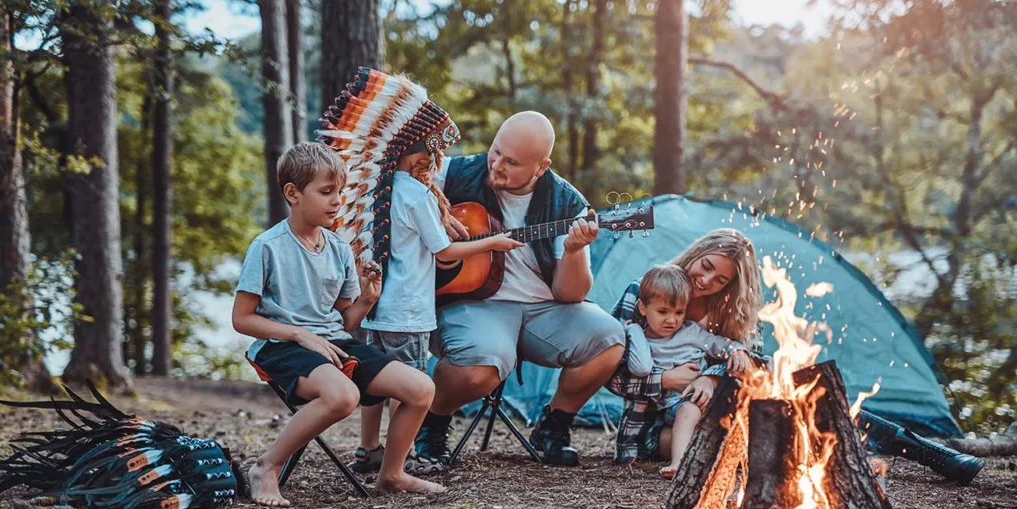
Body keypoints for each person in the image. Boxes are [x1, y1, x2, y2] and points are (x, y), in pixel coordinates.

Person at [609, 229, 984, 484]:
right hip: (660, 429)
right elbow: (614, 376)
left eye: (720, 279)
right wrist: (667, 380)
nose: (706, 281)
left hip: (720, 413)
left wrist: (713, 376)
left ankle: (928, 452)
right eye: (705, 267)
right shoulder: (644, 293)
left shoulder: (724, 314)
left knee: (797, 387)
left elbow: (752, 365)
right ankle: (867, 453)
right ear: (696, 254)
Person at [316, 69, 522, 476]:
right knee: (408, 388)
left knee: (375, 378)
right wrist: (492, 243)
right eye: (434, 154)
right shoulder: (417, 193)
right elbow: (444, 249)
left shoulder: (386, 186)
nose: (436, 162)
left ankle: (368, 449)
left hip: (377, 307)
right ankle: (400, 461)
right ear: (422, 152)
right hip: (408, 311)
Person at [232, 142, 445, 506]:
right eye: (326, 192)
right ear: (292, 194)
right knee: (343, 396)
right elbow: (242, 319)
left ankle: (391, 474)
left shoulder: (340, 249)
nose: (337, 201)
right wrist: (300, 334)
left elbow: (344, 322)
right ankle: (265, 468)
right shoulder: (267, 247)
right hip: (282, 348)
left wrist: (367, 299)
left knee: (421, 387)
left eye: (340, 192)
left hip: (332, 343)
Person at [414, 111, 626, 467]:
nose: (496, 165)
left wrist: (573, 250)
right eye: (495, 152)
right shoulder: (453, 172)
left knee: (609, 339)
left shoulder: (566, 204)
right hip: (471, 303)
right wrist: (438, 215)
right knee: (482, 363)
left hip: (543, 310)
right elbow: (400, 190)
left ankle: (554, 423)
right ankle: (432, 421)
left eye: (511, 162)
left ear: (541, 167)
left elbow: (570, 295)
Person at [623, 264, 752, 477]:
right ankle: (679, 463)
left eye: (679, 312)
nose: (672, 320)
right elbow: (641, 368)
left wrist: (737, 350)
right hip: (675, 404)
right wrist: (633, 330)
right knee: (688, 410)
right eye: (663, 312)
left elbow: (718, 344)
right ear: (643, 308)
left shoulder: (690, 331)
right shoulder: (641, 339)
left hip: (710, 397)